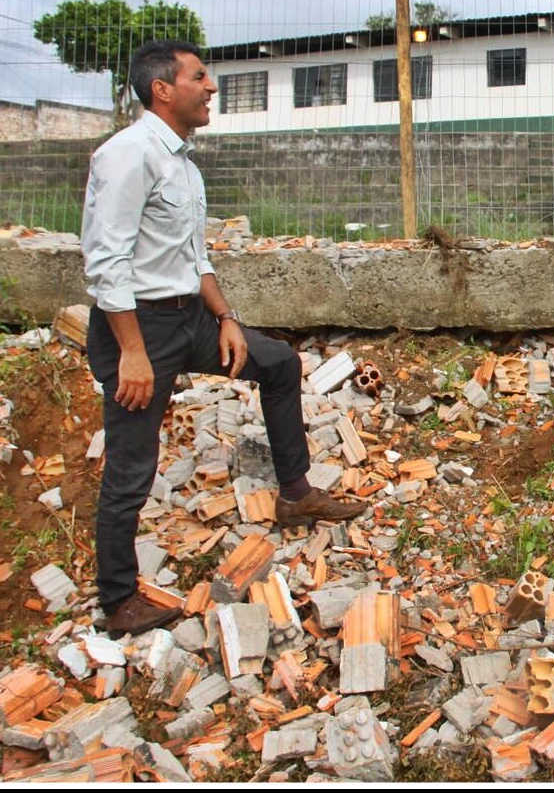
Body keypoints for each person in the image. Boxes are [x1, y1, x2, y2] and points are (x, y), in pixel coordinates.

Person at [80, 39, 367, 637]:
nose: (212, 88)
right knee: (132, 466)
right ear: (163, 89)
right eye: (200, 77)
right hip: (138, 330)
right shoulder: (127, 155)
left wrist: (228, 319)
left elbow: (195, 256)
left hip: (189, 319)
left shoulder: (182, 163)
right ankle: (117, 599)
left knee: (278, 362)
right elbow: (106, 262)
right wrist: (132, 351)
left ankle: (293, 494)